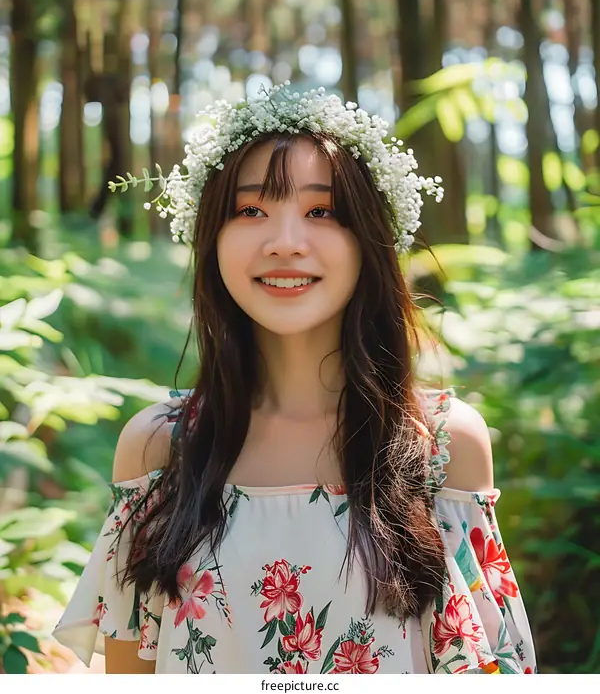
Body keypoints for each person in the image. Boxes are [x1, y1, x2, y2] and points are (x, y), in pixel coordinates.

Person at [51, 83, 537, 674]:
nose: (285, 243)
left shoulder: (440, 447)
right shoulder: (160, 450)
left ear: (369, 241)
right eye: (251, 210)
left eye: (321, 212)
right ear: (212, 239)